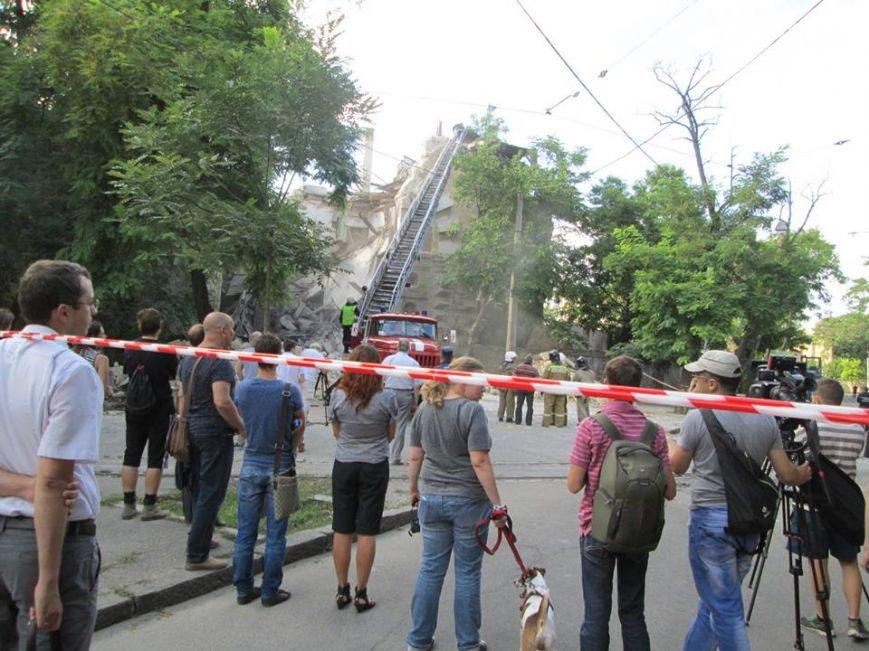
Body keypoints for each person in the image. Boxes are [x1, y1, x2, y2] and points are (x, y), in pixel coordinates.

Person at [669, 349, 812, 651]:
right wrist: (805, 472)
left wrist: (666, 440)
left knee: (726, 610)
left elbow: (678, 465)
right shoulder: (764, 419)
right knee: (715, 604)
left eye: (697, 378)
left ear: (712, 384)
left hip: (712, 524)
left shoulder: (698, 417)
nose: (691, 383)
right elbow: (787, 474)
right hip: (749, 522)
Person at [0, 260, 102, 649]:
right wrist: (47, 580)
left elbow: (43, 484)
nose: (92, 312)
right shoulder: (70, 371)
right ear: (64, 312)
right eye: (88, 303)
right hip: (46, 545)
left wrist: (25, 487)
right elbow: (55, 482)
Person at [567, 355, 677, 650]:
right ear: (638, 387)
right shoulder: (655, 433)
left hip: (596, 530)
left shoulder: (591, 427)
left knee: (596, 615)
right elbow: (670, 490)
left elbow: (573, 485)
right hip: (638, 531)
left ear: (606, 383)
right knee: (632, 613)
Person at [406, 356, 506, 651]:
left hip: (431, 499)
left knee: (430, 569)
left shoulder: (425, 408)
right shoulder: (471, 411)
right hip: (468, 503)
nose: (485, 389)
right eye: (481, 383)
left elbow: (415, 455)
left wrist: (413, 488)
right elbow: (480, 460)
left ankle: (419, 641)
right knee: (467, 573)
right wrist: (497, 505)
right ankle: (468, 644)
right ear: (462, 379)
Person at [791, 378, 868, 640]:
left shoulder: (811, 426)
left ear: (818, 400)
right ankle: (855, 620)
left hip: (814, 504)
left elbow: (798, 455)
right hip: (845, 506)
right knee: (849, 562)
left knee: (817, 561)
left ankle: (822, 619)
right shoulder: (858, 429)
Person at [232, 333, 305, 607]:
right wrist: (293, 444)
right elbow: (300, 422)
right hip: (281, 464)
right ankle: (270, 590)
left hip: (250, 462)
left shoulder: (243, 388)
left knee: (246, 530)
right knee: (276, 533)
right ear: (277, 357)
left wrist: (246, 431)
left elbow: (239, 416)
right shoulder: (289, 390)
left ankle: (242, 587)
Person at [328, 344, 398, 613]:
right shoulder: (387, 398)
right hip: (374, 465)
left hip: (344, 463)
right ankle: (361, 593)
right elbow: (390, 435)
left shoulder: (337, 395)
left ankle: (341, 588)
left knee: (342, 527)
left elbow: (337, 431)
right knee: (367, 530)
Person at [177, 311, 247, 571]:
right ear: (221, 331)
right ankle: (197, 555)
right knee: (211, 491)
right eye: (231, 329)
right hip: (214, 433)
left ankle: (200, 536)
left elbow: (182, 397)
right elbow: (222, 401)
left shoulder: (188, 358)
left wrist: (184, 423)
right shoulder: (219, 362)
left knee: (197, 487)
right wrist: (241, 426)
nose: (233, 334)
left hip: (192, 428)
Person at [121, 308, 177, 521]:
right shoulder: (164, 351)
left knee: (131, 452)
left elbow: (128, 371)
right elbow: (172, 374)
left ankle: (128, 503)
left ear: (139, 326)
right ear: (159, 326)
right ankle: (149, 504)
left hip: (134, 406)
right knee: (155, 456)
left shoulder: (130, 348)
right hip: (160, 407)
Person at [383, 338, 421, 465]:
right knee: (401, 426)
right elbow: (416, 386)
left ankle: (382, 453)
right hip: (405, 393)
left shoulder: (388, 359)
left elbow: (381, 379)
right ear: (409, 348)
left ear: (397, 347)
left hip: (388, 392)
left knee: (384, 422)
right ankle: (395, 457)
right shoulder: (414, 363)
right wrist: (415, 403)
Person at [75, 320, 112, 398]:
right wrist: (109, 391)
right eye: (102, 334)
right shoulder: (101, 359)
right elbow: (103, 390)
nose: (105, 336)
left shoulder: (74, 353)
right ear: (93, 337)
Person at [542, 350, 570, 427]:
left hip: (550, 390)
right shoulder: (565, 367)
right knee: (560, 407)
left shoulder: (549, 366)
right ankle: (560, 423)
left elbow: (544, 378)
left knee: (548, 406)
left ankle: (546, 423)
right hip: (561, 390)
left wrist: (542, 389)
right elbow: (568, 379)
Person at [512, 354, 539, 426]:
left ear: (524, 360)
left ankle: (518, 421)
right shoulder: (534, 369)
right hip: (530, 389)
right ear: (531, 361)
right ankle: (528, 422)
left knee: (519, 405)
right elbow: (537, 378)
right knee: (530, 406)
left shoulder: (519, 367)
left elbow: (514, 375)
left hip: (520, 388)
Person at [573, 356, 596, 423]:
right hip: (589, 391)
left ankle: (583, 422)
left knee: (581, 408)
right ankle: (588, 420)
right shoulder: (591, 372)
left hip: (581, 392)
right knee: (586, 407)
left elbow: (574, 382)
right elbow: (593, 381)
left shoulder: (579, 372)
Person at [496, 351, 517, 422]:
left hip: (501, 385)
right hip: (509, 386)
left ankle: (500, 416)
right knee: (510, 402)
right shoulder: (512, 367)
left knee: (502, 402)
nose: (514, 360)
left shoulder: (501, 366)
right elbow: (514, 376)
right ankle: (509, 417)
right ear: (510, 358)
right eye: (513, 358)